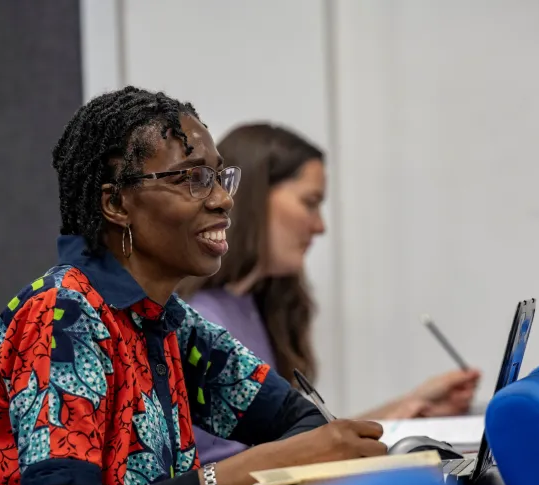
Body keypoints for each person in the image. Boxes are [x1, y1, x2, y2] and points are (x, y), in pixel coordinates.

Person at [0, 87, 387, 485]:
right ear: (116, 204)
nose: (223, 200)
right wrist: (238, 477)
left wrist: (275, 462)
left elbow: (300, 421)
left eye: (218, 177)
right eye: (192, 179)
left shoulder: (168, 319)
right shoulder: (61, 317)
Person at [177, 123, 482, 464]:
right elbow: (241, 470)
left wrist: (406, 407)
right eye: (310, 203)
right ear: (254, 199)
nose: (319, 226)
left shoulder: (253, 305)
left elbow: (299, 444)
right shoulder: (202, 321)